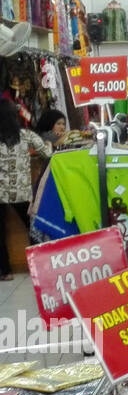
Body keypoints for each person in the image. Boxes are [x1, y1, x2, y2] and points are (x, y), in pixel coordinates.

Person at [0, 100, 51, 280]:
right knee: (32, 227)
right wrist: (50, 144)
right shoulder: (26, 135)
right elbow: (47, 154)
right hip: (21, 191)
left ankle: (5, 272)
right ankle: (36, 264)